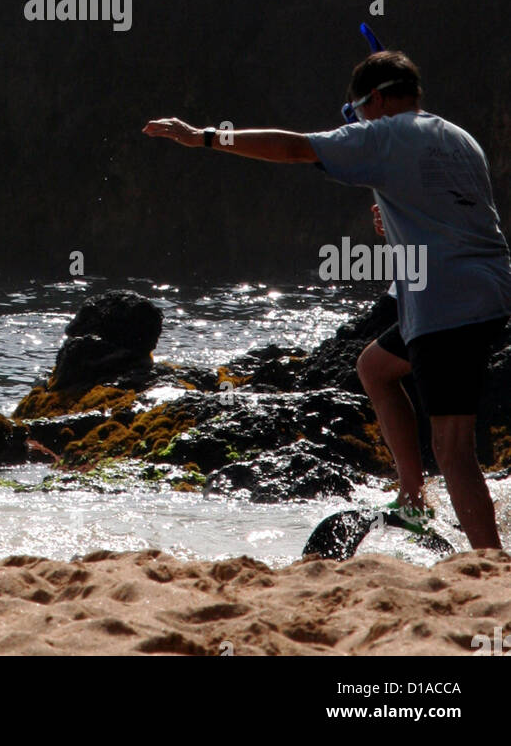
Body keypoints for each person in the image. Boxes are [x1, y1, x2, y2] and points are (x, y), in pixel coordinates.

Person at [143, 49, 511, 550]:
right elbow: (453, 212)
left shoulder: (384, 133)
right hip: (489, 290)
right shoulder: (458, 138)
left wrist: (204, 136)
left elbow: (294, 148)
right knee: (374, 368)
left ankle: (488, 566)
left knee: (452, 447)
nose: (355, 124)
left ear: (376, 100)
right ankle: (411, 494)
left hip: (446, 301)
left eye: (356, 113)